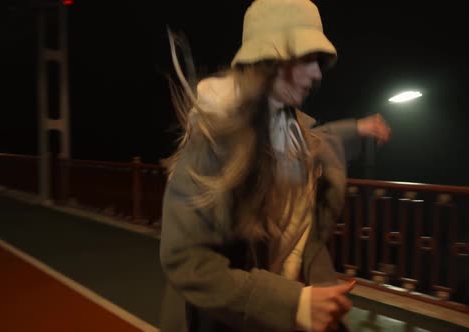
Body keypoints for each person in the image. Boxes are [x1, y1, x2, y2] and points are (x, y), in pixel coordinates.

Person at [159, 0, 391, 331]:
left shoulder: (292, 134)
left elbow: (301, 222)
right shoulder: (214, 140)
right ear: (267, 61)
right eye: (306, 59)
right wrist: (294, 304)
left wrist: (321, 297)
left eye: (319, 62)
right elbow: (185, 259)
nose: (317, 73)